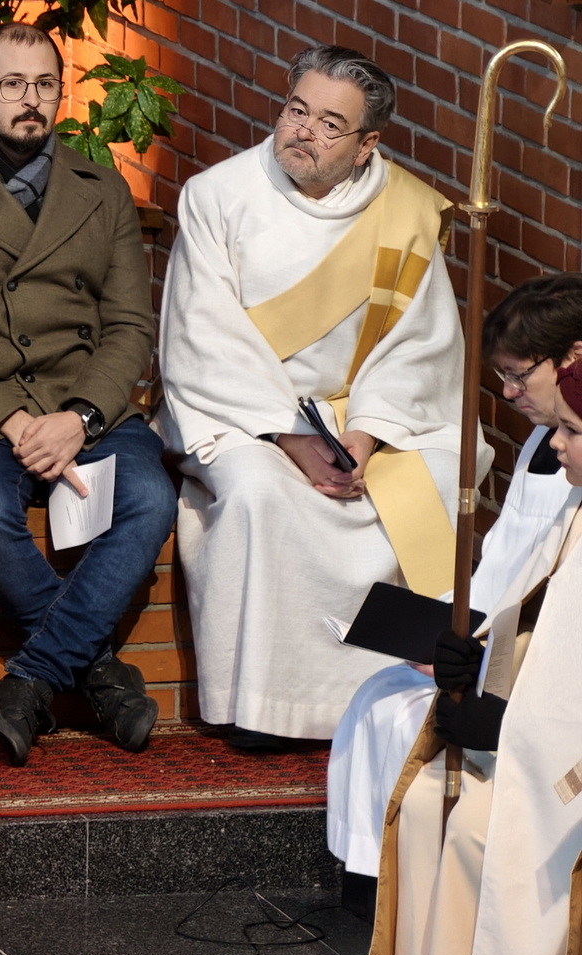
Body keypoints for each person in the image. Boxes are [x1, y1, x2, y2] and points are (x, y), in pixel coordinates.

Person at [159, 45, 473, 748]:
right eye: (296, 110)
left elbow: (420, 345)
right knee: (256, 495)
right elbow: (203, 336)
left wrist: (367, 431)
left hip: (362, 414)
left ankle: (405, 696)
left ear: (367, 145)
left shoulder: (407, 211)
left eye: (331, 124)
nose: (303, 130)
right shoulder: (218, 196)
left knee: (437, 471)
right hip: (246, 412)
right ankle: (262, 708)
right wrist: (291, 436)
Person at [0, 22, 175, 765]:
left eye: (45, 84)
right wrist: (8, 419)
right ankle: (102, 676)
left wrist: (80, 417)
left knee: (151, 500)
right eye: (12, 84)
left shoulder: (100, 188)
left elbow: (130, 325)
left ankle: (32, 680)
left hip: (84, 402)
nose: (30, 99)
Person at [358, 357, 582, 955]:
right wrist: (475, 665)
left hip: (565, 771)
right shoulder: (576, 509)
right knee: (428, 802)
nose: (554, 445)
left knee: (482, 829)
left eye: (573, 432)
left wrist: (505, 730)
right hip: (533, 738)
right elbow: (533, 620)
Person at [328, 273, 582, 881]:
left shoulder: (576, 460)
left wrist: (483, 653)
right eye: (502, 377)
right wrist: (444, 622)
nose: (509, 392)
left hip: (528, 665)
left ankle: (408, 887)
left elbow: (551, 590)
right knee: (376, 695)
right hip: (493, 633)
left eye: (519, 375)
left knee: (405, 716)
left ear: (572, 357)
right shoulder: (542, 444)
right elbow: (504, 560)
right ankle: (369, 885)